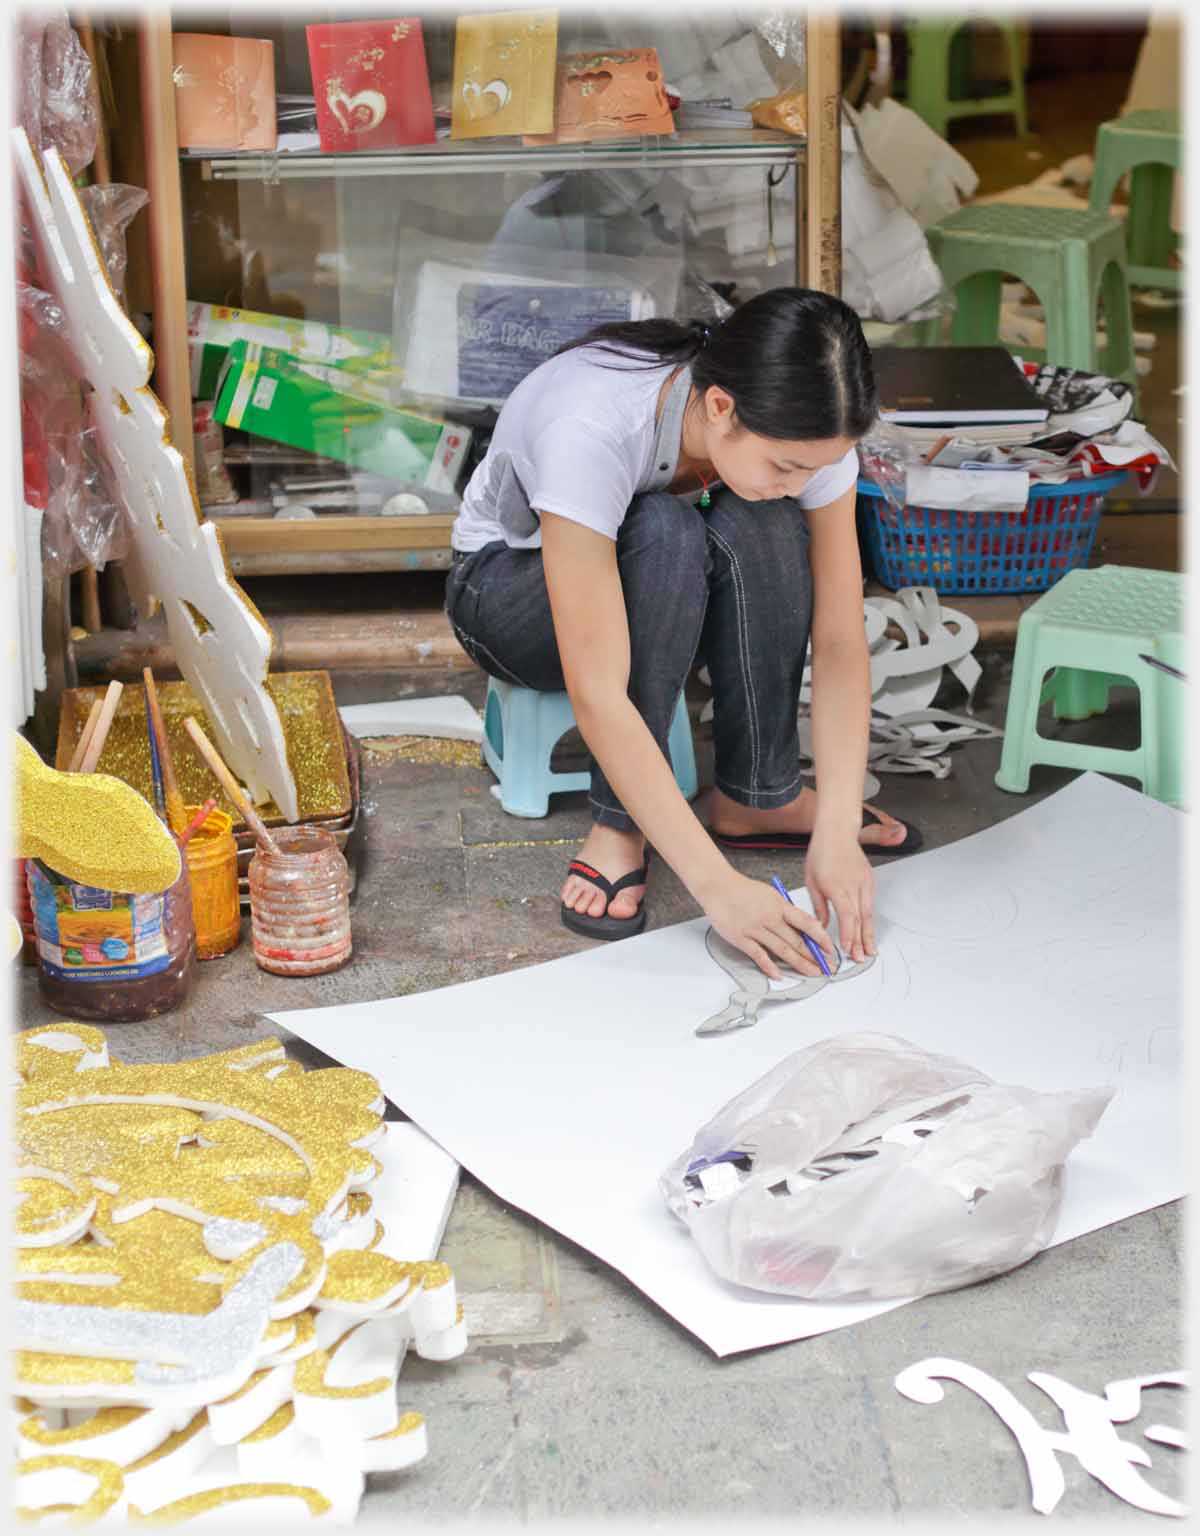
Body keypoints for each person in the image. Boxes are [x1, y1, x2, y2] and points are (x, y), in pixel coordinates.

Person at [445, 287, 920, 981]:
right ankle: (619, 822)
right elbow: (599, 689)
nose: (800, 482)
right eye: (786, 465)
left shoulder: (808, 437)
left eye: (815, 468)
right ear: (721, 406)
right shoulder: (595, 424)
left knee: (765, 519)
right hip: (508, 594)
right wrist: (718, 888)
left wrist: (838, 824)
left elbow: (842, 637)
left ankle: (761, 793)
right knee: (664, 530)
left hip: (659, 600)